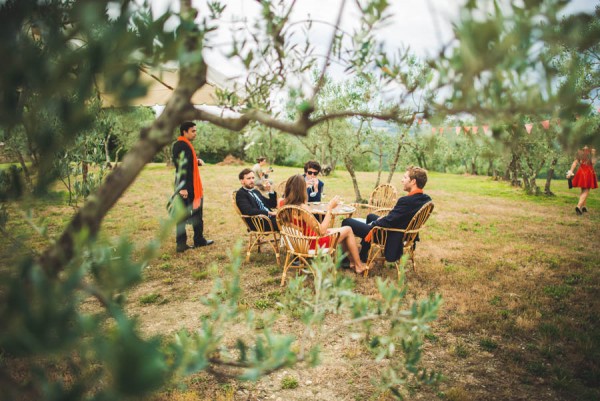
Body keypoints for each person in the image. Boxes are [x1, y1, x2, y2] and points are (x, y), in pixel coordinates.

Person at [342, 166, 432, 263]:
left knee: (347, 222)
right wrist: (383, 218)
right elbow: (396, 217)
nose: (402, 180)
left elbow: (389, 221)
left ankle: (346, 260)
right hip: (403, 233)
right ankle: (363, 254)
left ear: (413, 181)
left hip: (389, 234)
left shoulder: (406, 201)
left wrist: (373, 224)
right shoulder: (425, 199)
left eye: (405, 178)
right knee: (370, 216)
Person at [282, 174, 366, 274]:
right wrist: (330, 208)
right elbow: (321, 231)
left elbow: (295, 227)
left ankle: (353, 263)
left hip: (299, 243)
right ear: (302, 190)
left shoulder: (284, 206)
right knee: (347, 229)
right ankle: (359, 266)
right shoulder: (303, 208)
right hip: (314, 243)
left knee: (341, 231)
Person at [172, 122, 214, 253]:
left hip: (190, 186)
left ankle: (197, 240)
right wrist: (183, 188)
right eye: (193, 131)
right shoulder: (181, 145)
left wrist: (196, 161)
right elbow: (180, 167)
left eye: (196, 131)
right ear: (184, 132)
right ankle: (183, 243)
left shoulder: (184, 144)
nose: (195, 133)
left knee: (193, 214)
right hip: (186, 187)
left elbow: (187, 162)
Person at [567, 146, 597, 215]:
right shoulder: (591, 151)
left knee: (583, 190)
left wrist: (570, 172)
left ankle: (583, 207)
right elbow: (593, 162)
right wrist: (593, 154)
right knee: (586, 190)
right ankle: (578, 206)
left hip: (581, 171)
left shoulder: (580, 152)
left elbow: (575, 163)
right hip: (589, 172)